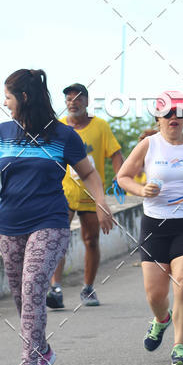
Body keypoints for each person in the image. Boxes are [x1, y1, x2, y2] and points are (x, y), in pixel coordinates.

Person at [0, 69, 114, 365]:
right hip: (9, 223)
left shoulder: (63, 135)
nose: (5, 102)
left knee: (33, 288)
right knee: (21, 298)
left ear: (23, 98)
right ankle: (43, 351)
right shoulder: (3, 131)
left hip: (50, 221)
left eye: (8, 96)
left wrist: (101, 203)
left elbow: (89, 174)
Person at [117, 92, 183, 365]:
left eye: (179, 113)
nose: (174, 118)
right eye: (168, 113)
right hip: (155, 225)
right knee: (155, 294)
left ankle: (180, 347)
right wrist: (142, 190)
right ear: (158, 118)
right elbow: (123, 177)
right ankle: (162, 319)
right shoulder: (148, 145)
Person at [46, 83, 124, 309]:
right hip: (63, 192)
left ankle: (88, 288)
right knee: (58, 239)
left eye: (78, 99)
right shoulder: (57, 127)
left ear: (87, 102)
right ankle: (55, 289)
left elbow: (116, 154)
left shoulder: (100, 126)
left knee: (91, 240)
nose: (73, 103)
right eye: (69, 99)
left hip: (91, 192)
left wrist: (120, 177)